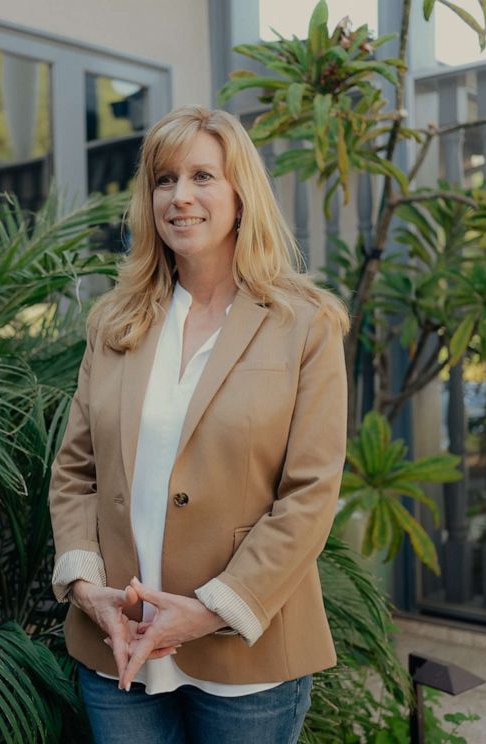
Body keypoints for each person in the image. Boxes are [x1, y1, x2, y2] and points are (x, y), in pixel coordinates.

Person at [49, 104, 349, 743]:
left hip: (248, 660)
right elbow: (75, 471)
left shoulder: (305, 325)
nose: (180, 197)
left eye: (202, 177)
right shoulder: (115, 323)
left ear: (242, 195)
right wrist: (86, 588)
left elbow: (310, 494)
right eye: (164, 180)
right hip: (121, 649)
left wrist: (211, 609)